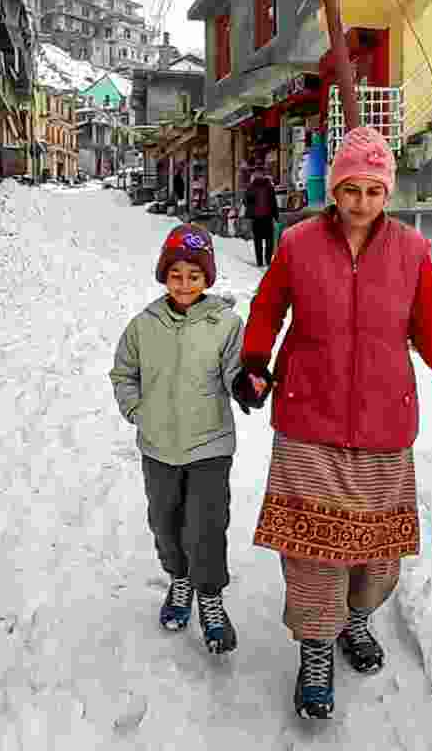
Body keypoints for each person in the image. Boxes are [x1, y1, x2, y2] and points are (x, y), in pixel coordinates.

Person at [230, 126, 432, 719]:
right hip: (307, 419)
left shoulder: (412, 253)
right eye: (350, 189)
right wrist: (254, 361)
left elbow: (431, 331)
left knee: (377, 554)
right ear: (334, 190)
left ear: (387, 193)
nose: (361, 202)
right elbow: (267, 308)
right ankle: (316, 648)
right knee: (311, 551)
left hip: (383, 424)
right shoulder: (298, 243)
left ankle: (356, 619)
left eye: (373, 191)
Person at [110, 224, 245, 656]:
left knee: (206, 526)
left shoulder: (225, 325)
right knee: (165, 523)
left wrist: (249, 384)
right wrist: (137, 411)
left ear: (208, 279)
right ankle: (180, 580)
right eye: (176, 275)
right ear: (164, 276)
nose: (185, 284)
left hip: (210, 447)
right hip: (158, 447)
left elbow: (235, 373)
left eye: (194, 275)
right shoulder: (143, 325)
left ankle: (210, 596)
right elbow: (123, 374)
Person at [244, 169, 280, 267]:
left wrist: (250, 210)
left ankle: (259, 261)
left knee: (258, 240)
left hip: (256, 218)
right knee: (269, 240)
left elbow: (246, 201)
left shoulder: (251, 187)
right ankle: (268, 260)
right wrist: (276, 216)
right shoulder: (269, 187)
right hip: (267, 217)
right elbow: (273, 202)